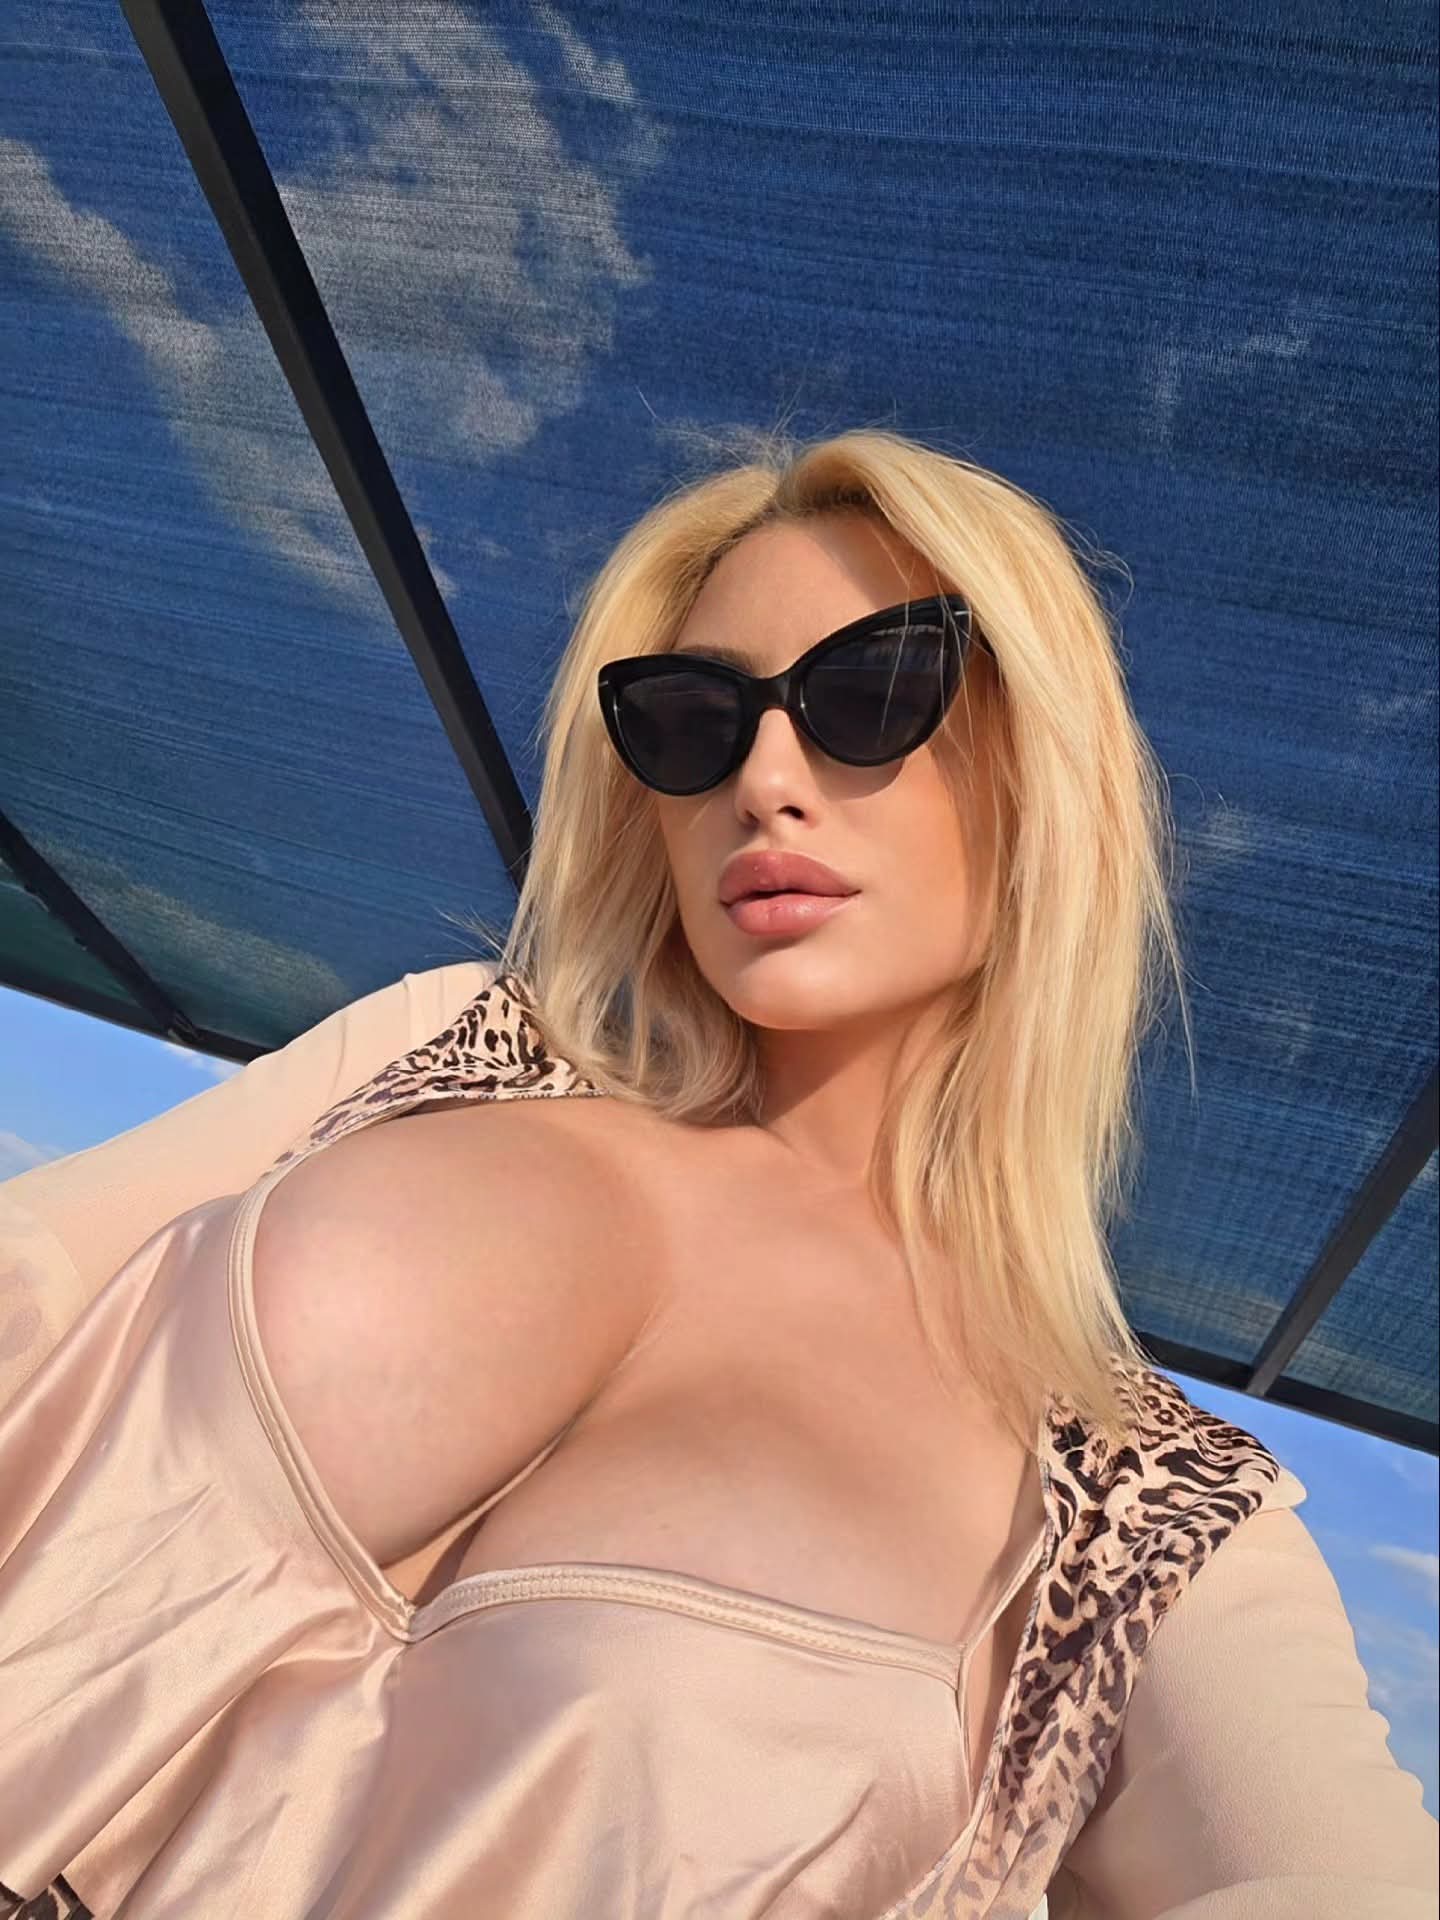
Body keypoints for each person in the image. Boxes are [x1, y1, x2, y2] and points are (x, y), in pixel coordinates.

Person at [1, 428, 1434, 1920]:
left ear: (1045, 769)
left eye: (873, 692)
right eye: (692, 720)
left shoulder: (1140, 1513)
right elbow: (30, 1275)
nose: (764, 780)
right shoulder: (441, 1045)